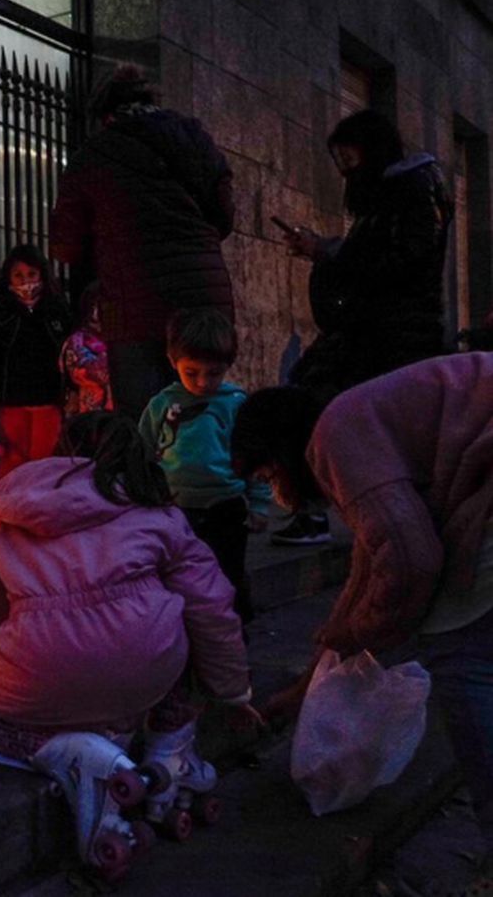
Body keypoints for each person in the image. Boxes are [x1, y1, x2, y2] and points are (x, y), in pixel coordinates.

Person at [0, 412, 255, 878]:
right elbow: (211, 606)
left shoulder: (5, 529)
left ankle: (69, 751)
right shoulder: (161, 519)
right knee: (178, 669)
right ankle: (170, 753)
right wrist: (233, 692)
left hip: (39, 684)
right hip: (146, 676)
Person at [233, 354, 493, 876]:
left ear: (283, 455)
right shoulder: (360, 421)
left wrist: (360, 634)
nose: (280, 498)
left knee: (459, 656)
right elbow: (368, 569)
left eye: (269, 477)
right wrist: (311, 681)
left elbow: (411, 562)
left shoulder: (337, 436)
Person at [271, 109, 451, 545]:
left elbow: (399, 265)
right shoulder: (395, 196)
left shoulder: (410, 194)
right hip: (373, 334)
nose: (347, 174)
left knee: (316, 406)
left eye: (351, 161)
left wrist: (328, 254)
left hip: (389, 338)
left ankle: (323, 511)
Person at [49, 65, 236, 421]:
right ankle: (206, 475)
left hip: (136, 308)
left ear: (104, 114)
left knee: (145, 422)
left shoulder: (94, 156)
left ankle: (150, 475)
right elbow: (223, 218)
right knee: (204, 413)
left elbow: (65, 247)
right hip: (204, 300)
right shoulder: (196, 139)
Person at [137, 310, 270, 626]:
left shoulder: (236, 404)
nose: (202, 382)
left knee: (227, 574)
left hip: (227, 508)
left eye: (213, 373)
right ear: (173, 361)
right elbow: (143, 454)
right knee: (180, 574)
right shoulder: (161, 405)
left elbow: (257, 459)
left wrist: (260, 505)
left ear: (228, 365)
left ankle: (234, 630)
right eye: (191, 372)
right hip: (176, 509)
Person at [0, 244, 71, 479]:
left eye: (31, 274)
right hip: (11, 398)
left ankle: (40, 511)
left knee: (44, 459)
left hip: (48, 398)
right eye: (18, 275)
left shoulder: (57, 310)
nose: (25, 281)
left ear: (42, 275)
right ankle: (12, 512)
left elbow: (68, 353)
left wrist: (70, 390)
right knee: (13, 459)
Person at [60, 282, 113, 417]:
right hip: (91, 414)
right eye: (95, 305)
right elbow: (84, 371)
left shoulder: (120, 336)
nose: (99, 311)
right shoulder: (78, 340)